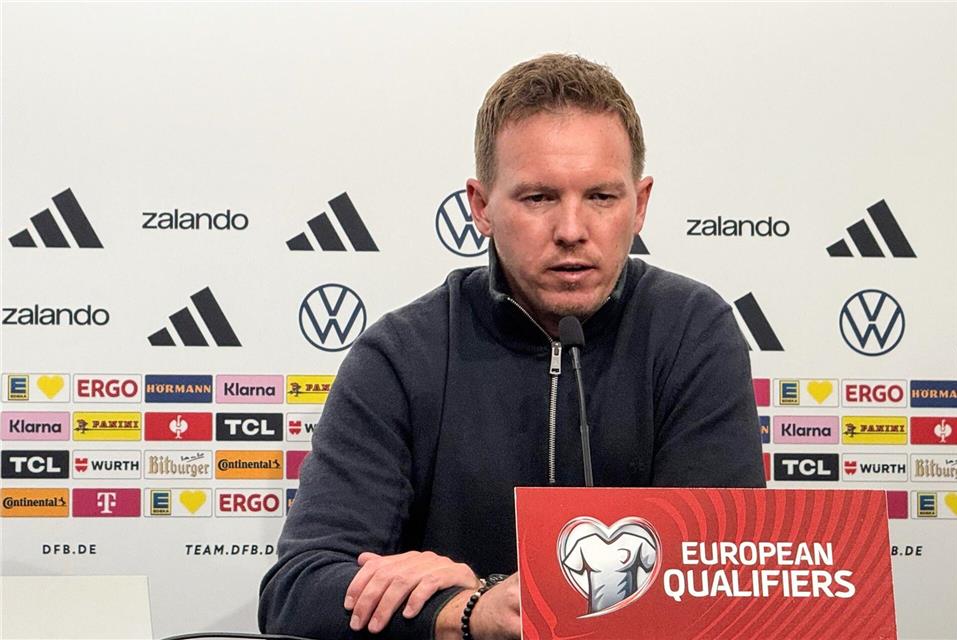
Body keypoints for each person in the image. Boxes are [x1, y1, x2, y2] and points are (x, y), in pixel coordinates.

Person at [259, 53, 765, 640]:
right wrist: (466, 611)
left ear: (641, 203)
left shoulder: (692, 331)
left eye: (602, 197)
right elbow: (297, 591)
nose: (572, 230)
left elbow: (722, 583)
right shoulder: (401, 355)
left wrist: (490, 594)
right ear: (481, 206)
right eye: (538, 198)